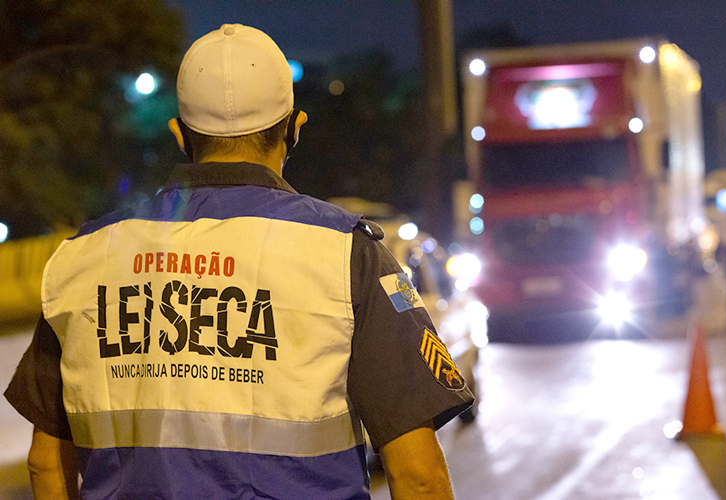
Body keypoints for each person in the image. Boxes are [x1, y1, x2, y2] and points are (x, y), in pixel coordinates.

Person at [5, 23, 473, 499]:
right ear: (294, 129)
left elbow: (46, 463)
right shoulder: (346, 253)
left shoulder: (85, 256)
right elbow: (418, 475)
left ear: (179, 134)